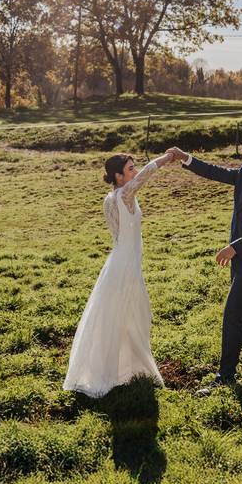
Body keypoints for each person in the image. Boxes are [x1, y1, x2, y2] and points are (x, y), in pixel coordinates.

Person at [167, 126, 242, 396]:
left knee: (233, 313)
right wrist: (185, 157)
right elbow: (216, 172)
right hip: (240, 261)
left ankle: (226, 375)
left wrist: (234, 247)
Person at [62, 151, 176, 398]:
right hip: (124, 265)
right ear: (118, 176)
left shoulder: (115, 197)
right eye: (130, 169)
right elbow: (145, 177)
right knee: (123, 315)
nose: (134, 172)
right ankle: (110, 372)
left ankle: (128, 367)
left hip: (124, 262)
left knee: (129, 315)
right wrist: (166, 159)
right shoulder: (122, 195)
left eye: (134, 168)